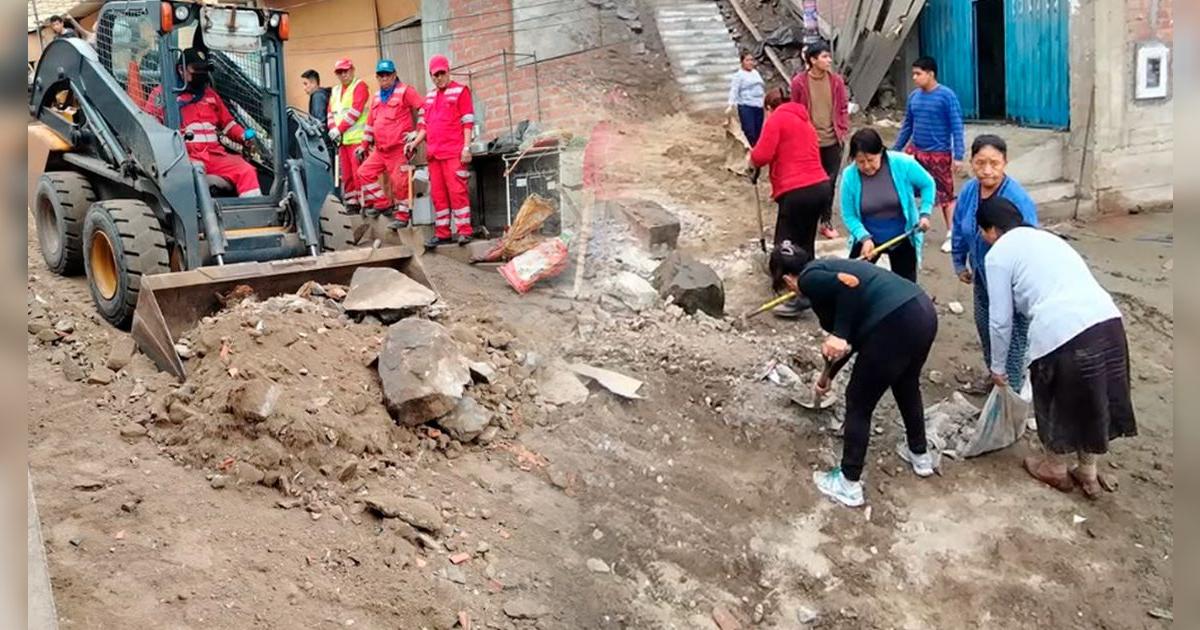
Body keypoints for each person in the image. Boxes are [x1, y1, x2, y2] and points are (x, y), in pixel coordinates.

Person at [978, 198, 1136, 499]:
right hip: (1109, 322)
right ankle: (1088, 471)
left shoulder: (998, 254)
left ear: (990, 230)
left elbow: (1000, 320)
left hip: (1062, 331)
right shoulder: (1048, 238)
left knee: (1055, 397)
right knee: (1095, 395)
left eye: (983, 233)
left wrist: (998, 367)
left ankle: (1055, 467)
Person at [770, 242, 938, 508]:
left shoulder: (811, 278)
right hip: (920, 311)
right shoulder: (825, 270)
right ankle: (920, 455)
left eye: (786, 285)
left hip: (894, 320)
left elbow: (850, 286)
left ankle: (848, 483)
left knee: (858, 401)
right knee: (906, 384)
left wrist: (838, 335)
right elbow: (854, 337)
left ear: (788, 279)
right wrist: (828, 375)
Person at [953, 134, 1039, 390]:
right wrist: (959, 262)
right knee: (987, 328)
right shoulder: (969, 191)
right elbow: (959, 227)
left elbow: (1030, 241)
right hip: (982, 274)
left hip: (1012, 281)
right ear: (971, 162)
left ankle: (1011, 393)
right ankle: (994, 376)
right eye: (980, 163)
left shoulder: (1017, 198)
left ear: (1005, 163)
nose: (987, 170)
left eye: (994, 163)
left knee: (1012, 338)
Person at [748, 87, 831, 318]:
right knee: (805, 243)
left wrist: (751, 161)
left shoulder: (777, 119)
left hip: (797, 191)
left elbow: (762, 154)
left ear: (769, 108)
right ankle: (813, 288)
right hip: (820, 187)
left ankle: (796, 295)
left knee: (786, 245)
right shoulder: (805, 120)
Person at [141, 49, 261, 197]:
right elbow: (150, 126)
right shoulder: (163, 94)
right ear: (181, 69)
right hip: (184, 157)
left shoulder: (210, 94)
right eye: (197, 69)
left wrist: (243, 136)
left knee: (246, 170)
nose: (201, 73)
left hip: (215, 156)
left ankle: (254, 217)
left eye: (204, 69)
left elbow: (228, 123)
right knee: (197, 170)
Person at [838, 128, 935, 282]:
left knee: (904, 287)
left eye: (871, 160)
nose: (867, 166)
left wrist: (925, 213)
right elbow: (849, 215)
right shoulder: (850, 176)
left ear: (881, 152)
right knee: (853, 282)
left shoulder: (902, 163)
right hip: (868, 236)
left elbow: (927, 183)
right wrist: (864, 238)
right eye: (860, 162)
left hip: (902, 235)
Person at [893, 56, 965, 253]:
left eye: (918, 74)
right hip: (916, 153)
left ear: (930, 74)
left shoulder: (946, 96)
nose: (914, 78)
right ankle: (913, 229)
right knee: (907, 189)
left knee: (946, 196)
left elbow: (957, 126)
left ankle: (952, 234)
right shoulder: (914, 97)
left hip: (940, 154)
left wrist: (958, 155)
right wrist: (895, 150)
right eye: (913, 74)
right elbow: (908, 125)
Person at [410, 54, 476, 247]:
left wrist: (466, 147)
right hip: (434, 155)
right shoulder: (429, 97)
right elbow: (425, 127)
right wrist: (414, 143)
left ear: (448, 71)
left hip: (454, 152)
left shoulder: (460, 91)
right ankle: (442, 233)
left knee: (457, 192)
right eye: (434, 75)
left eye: (441, 73)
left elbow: (468, 122)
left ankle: (464, 231)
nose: (438, 78)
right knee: (438, 196)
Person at [356, 59, 425, 228]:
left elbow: (423, 109)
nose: (384, 77)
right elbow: (370, 125)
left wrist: (418, 131)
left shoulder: (405, 91)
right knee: (364, 172)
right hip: (380, 150)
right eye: (381, 75)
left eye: (387, 74)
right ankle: (382, 203)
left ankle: (402, 216)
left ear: (394, 75)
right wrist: (363, 146)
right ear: (377, 77)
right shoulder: (376, 97)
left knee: (400, 183)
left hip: (398, 149)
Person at [790, 41, 848, 239]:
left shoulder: (836, 81)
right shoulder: (799, 82)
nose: (828, 60)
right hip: (810, 143)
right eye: (824, 57)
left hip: (833, 140)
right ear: (813, 60)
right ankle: (808, 219)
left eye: (828, 56)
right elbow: (795, 110)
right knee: (810, 183)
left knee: (829, 183)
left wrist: (843, 128)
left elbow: (842, 107)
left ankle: (826, 221)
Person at [327, 58, 371, 212]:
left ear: (352, 70)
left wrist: (338, 129)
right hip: (342, 141)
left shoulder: (360, 86)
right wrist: (333, 128)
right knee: (346, 175)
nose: (343, 74)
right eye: (340, 72)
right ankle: (352, 202)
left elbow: (356, 111)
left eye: (345, 71)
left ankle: (365, 203)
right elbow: (330, 113)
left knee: (359, 173)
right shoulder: (335, 90)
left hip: (358, 139)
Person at [727, 52, 765, 147]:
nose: (750, 62)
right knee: (750, 131)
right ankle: (749, 150)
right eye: (747, 60)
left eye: (752, 60)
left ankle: (757, 151)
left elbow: (761, 88)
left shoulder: (755, 73)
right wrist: (731, 104)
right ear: (742, 62)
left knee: (758, 131)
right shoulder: (739, 75)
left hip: (758, 105)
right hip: (746, 105)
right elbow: (734, 90)